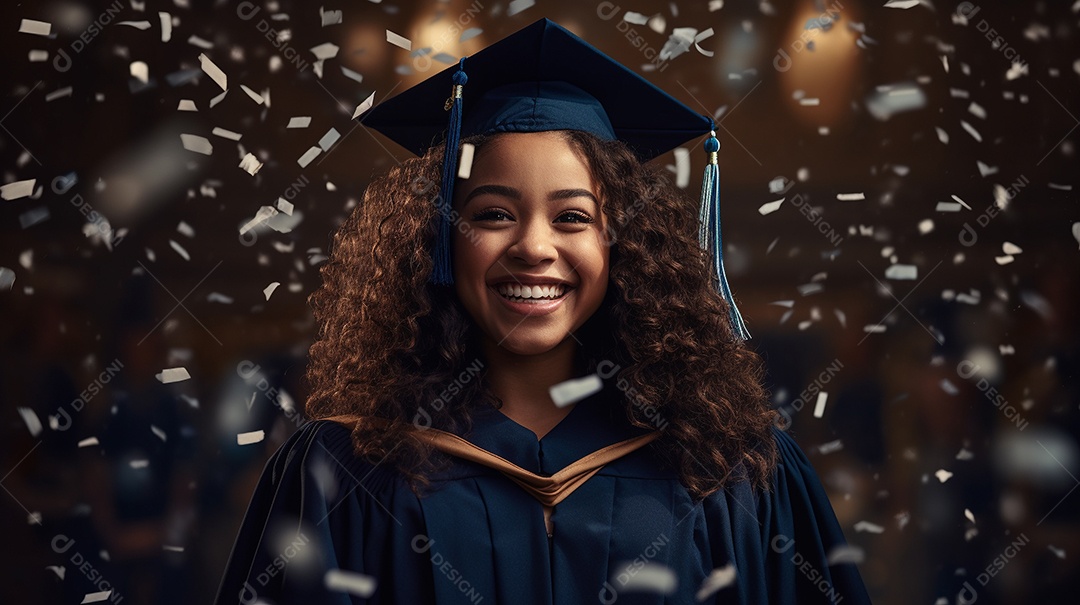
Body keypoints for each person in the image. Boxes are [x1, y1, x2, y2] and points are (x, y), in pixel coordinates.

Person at [214, 18, 872, 605]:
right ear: (438, 236)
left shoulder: (729, 472)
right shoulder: (343, 471)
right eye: (493, 214)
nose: (533, 246)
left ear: (621, 243)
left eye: (572, 217)